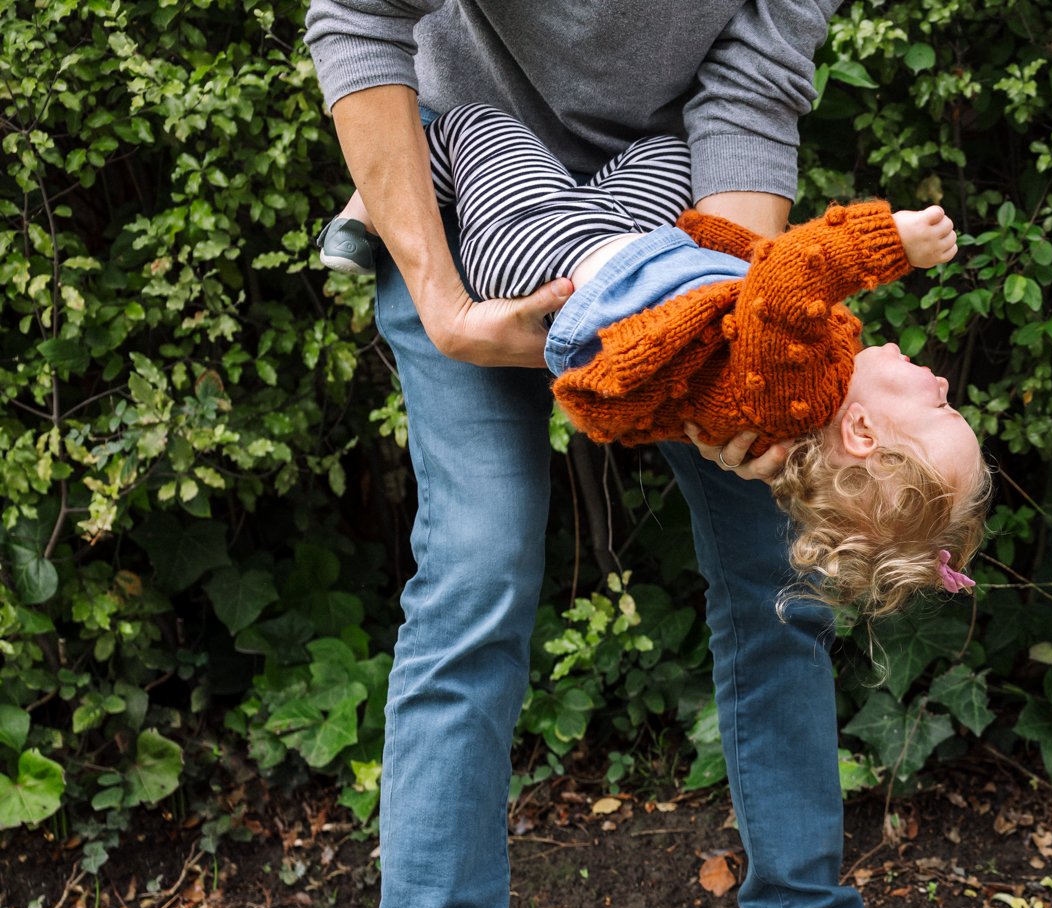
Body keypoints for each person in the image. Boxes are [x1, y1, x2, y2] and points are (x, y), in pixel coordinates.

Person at [305, 0, 974, 908]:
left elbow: (752, 91)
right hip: (466, 194)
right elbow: (357, 21)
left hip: (668, 221)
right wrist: (450, 311)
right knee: (478, 576)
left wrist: (727, 372)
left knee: (780, 584)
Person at [320, 103, 990, 613]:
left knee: (476, 124)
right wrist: (703, 234)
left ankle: (373, 206)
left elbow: (788, 279)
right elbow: (751, 272)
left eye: (940, 402)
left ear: (863, 431)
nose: (938, 378)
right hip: (619, 239)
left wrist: (889, 242)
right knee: (672, 152)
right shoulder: (798, 396)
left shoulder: (801, 387)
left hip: (545, 256)